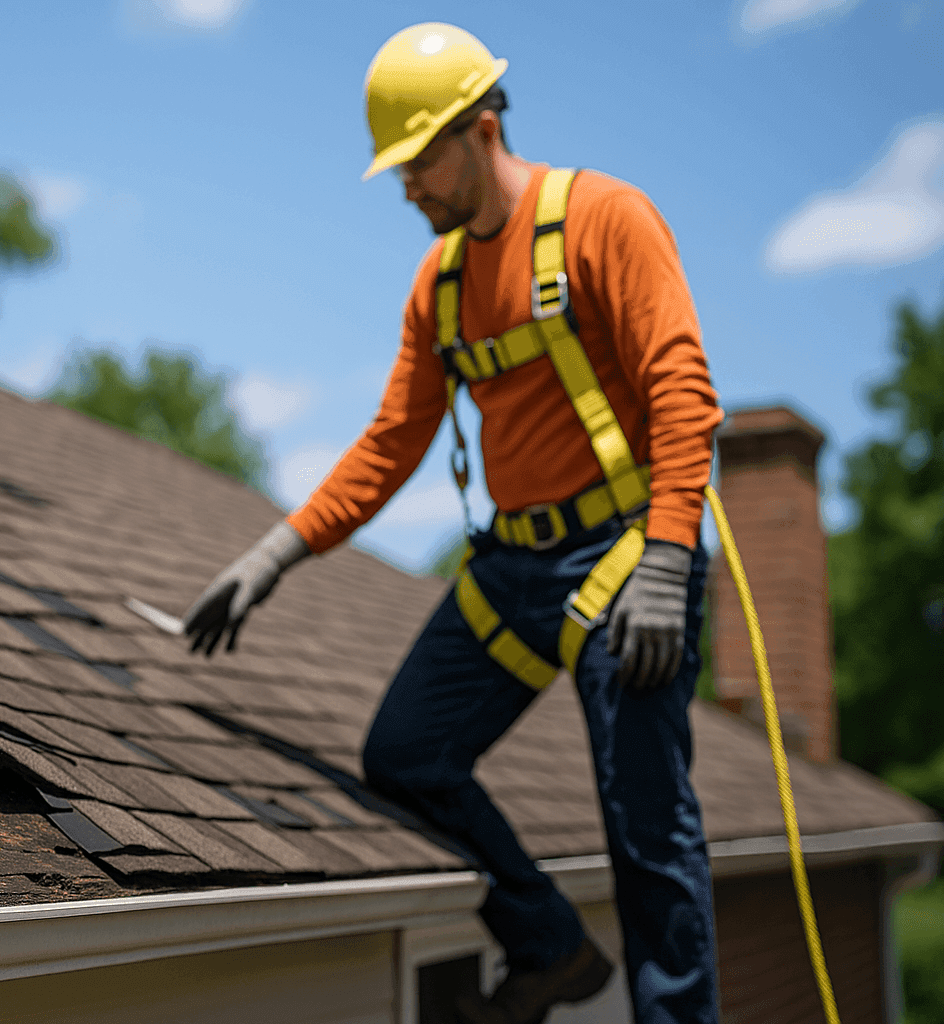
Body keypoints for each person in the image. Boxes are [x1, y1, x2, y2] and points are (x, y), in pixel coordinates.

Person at [182, 23, 723, 1024]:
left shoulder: (606, 219)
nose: (408, 189)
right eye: (397, 169)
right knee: (405, 755)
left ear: (483, 128)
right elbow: (390, 445)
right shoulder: (437, 290)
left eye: (419, 160)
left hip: (628, 556)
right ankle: (552, 947)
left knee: (647, 827)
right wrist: (273, 553)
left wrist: (667, 557)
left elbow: (681, 392)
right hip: (515, 568)